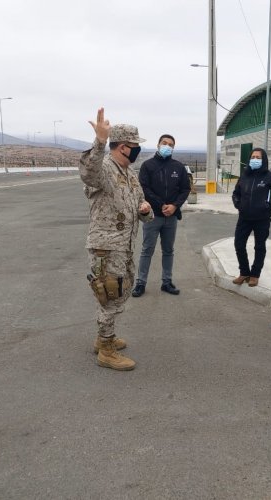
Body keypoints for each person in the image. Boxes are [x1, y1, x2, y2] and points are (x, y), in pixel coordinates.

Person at [80, 108, 153, 371]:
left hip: (124, 245)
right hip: (106, 247)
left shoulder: (130, 173)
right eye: (134, 146)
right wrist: (99, 142)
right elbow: (89, 172)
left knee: (122, 290)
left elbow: (140, 201)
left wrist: (146, 209)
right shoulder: (105, 170)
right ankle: (107, 349)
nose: (137, 151)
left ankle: (104, 338)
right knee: (111, 294)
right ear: (123, 147)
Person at [132, 134, 191, 297]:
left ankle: (167, 282)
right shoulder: (147, 166)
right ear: (158, 145)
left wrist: (174, 206)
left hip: (171, 217)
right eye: (164, 143)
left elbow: (185, 189)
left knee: (168, 250)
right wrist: (161, 204)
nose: (167, 146)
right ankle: (140, 283)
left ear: (173, 148)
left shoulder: (178, 167)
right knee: (147, 249)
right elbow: (144, 188)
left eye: (171, 144)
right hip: (152, 216)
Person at [231, 148, 271, 287]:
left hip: (262, 219)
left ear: (263, 160)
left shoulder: (270, 177)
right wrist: (238, 204)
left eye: (258, 157)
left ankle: (255, 275)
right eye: (253, 157)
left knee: (259, 247)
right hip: (244, 217)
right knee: (239, 244)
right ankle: (244, 272)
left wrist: (268, 206)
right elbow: (236, 193)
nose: (255, 160)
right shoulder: (244, 175)